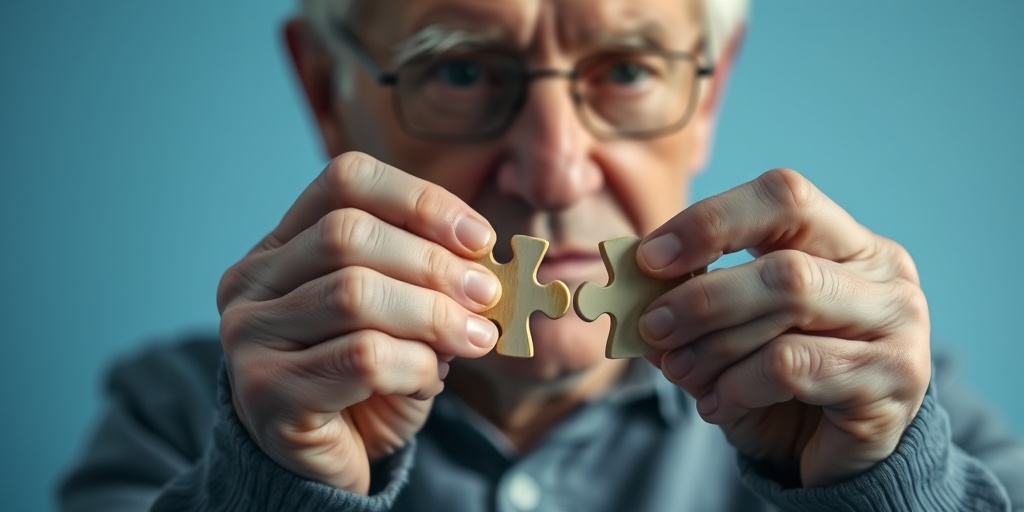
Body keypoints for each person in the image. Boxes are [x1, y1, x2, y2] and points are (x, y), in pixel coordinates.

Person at [60, 0, 1024, 510]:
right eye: (463, 68)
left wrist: (887, 496)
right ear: (324, 89)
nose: (554, 171)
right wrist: (275, 496)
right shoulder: (180, 421)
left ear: (712, 93)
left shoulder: (892, 421)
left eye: (630, 70)